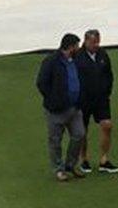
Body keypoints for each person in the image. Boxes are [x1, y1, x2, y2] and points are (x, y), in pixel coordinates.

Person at [36, 33, 86, 182]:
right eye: (77, 45)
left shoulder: (76, 60)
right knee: (55, 140)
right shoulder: (51, 61)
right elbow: (41, 83)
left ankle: (70, 165)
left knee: (79, 134)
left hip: (74, 108)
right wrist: (52, 100)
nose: (78, 48)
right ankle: (59, 169)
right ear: (70, 47)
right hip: (56, 110)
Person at [75, 29, 118, 174]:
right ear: (85, 41)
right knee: (83, 130)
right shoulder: (78, 56)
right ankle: (84, 159)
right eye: (93, 42)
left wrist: (107, 90)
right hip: (83, 99)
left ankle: (104, 160)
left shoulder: (102, 54)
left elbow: (109, 74)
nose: (96, 45)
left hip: (101, 98)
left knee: (107, 125)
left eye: (98, 42)